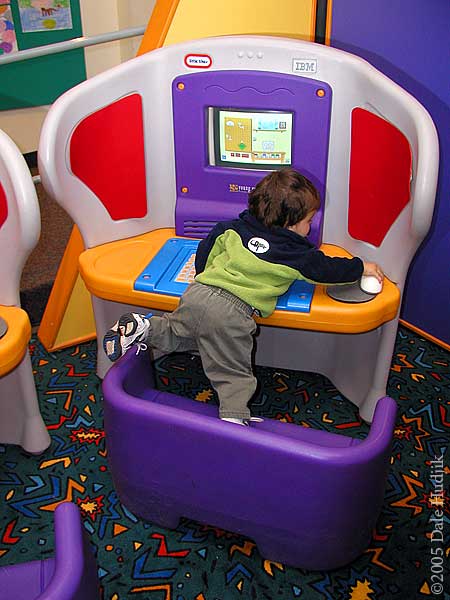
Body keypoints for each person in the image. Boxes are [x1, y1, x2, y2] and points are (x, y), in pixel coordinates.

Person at [103, 168, 384, 426]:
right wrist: (361, 267)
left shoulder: (234, 228)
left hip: (197, 294)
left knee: (178, 333)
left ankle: (144, 327)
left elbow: (207, 248)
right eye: (308, 221)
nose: (309, 228)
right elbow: (326, 270)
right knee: (233, 373)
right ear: (291, 224)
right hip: (232, 314)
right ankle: (233, 421)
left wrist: (205, 275)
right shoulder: (295, 253)